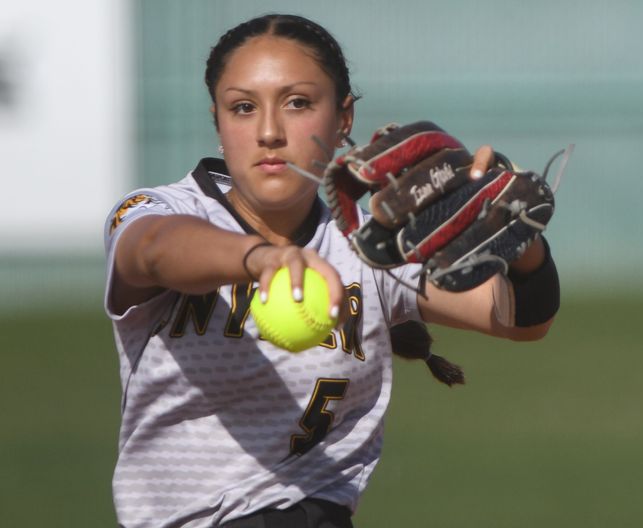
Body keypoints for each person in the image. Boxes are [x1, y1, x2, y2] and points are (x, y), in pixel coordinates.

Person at [103, 13, 559, 528]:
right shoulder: (162, 211)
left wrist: (518, 239)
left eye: (297, 103)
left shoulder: (369, 247)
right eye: (243, 107)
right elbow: (154, 250)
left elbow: (520, 319)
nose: (270, 132)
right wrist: (258, 257)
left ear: (343, 119)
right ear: (217, 120)